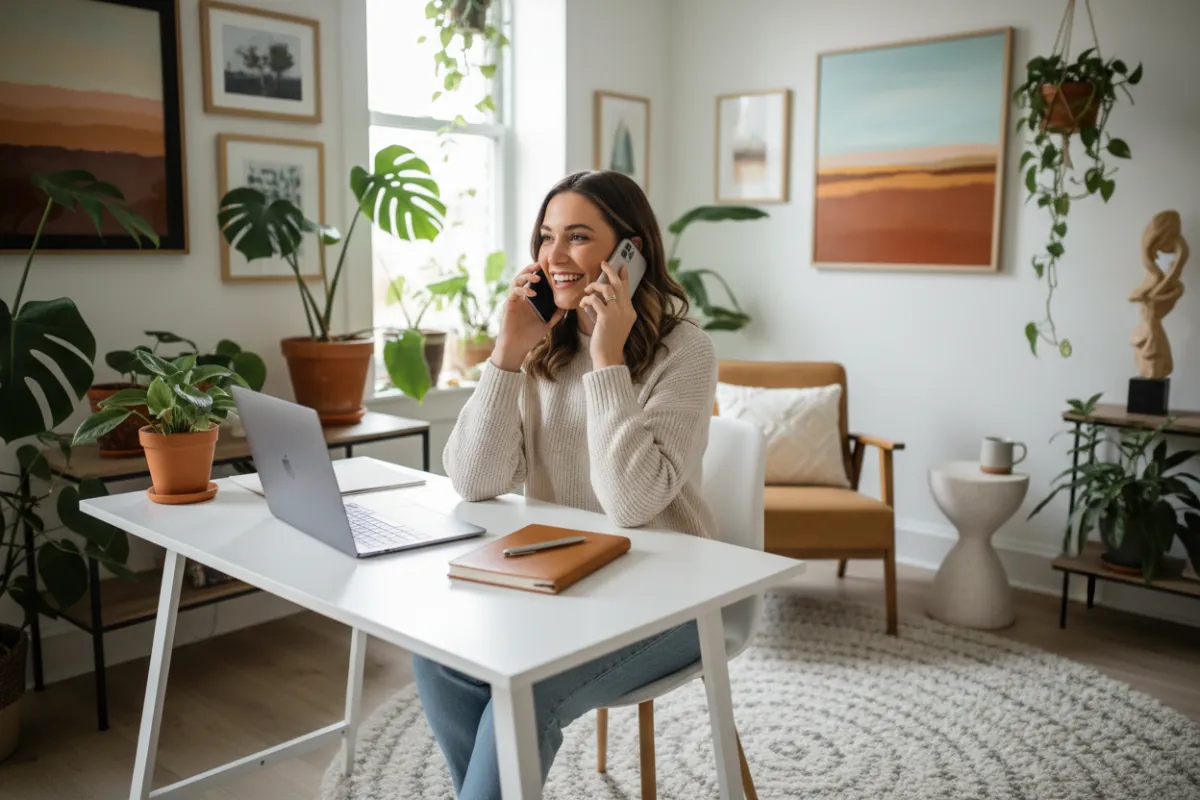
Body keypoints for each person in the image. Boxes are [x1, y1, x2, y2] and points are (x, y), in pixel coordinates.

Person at [412, 169, 719, 798]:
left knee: (521, 694)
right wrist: (505, 354)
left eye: (577, 237)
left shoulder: (684, 351)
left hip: (673, 598)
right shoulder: (542, 344)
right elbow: (473, 478)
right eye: (546, 237)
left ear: (630, 253)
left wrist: (607, 360)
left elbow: (632, 505)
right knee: (437, 657)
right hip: (561, 581)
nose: (554, 256)